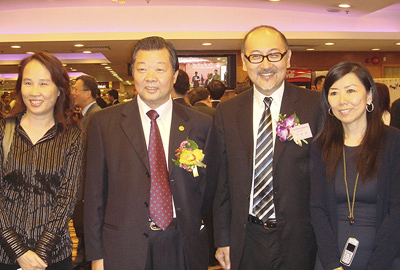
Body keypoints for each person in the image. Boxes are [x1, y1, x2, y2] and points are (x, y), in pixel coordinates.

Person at [84, 36, 218, 270]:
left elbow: (209, 190)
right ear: (133, 73)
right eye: (142, 69)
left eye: (160, 69)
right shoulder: (105, 122)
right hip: (123, 246)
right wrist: (96, 255)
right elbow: (95, 194)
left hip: (182, 244)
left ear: (174, 75)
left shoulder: (201, 124)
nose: (150, 78)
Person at [213, 25, 319, 270]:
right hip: (247, 237)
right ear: (244, 61)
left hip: (301, 238)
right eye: (256, 56)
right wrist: (223, 238)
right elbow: (222, 183)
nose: (265, 65)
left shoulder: (314, 106)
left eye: (274, 55)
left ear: (288, 57)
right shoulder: (227, 112)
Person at [310, 61, 400, 270]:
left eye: (350, 90)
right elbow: (317, 209)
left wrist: (377, 265)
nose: (342, 101)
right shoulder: (320, 146)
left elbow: (397, 212)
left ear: (369, 95)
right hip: (331, 257)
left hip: (385, 256)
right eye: (333, 93)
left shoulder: (394, 143)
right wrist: (332, 263)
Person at [0, 52, 83, 270]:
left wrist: (40, 253)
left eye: (43, 83)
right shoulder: (3, 130)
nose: (34, 92)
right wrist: (18, 252)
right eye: (28, 83)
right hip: (5, 254)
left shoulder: (71, 135)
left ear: (59, 90)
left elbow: (67, 197)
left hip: (54, 256)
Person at [71, 74, 102, 269]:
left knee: (85, 231)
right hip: (81, 186)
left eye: (76, 89)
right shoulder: (85, 115)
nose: (73, 93)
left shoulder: (96, 116)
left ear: (88, 93)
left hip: (87, 187)